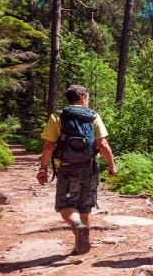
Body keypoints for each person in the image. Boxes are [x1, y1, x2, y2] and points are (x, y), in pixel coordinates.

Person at [38, 84, 117, 255]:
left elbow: (49, 146)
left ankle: (77, 225)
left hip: (67, 168)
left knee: (65, 205)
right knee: (85, 206)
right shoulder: (93, 116)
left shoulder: (57, 117)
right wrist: (111, 166)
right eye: (87, 97)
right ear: (82, 97)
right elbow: (102, 145)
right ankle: (82, 242)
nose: (88, 100)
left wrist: (43, 169)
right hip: (89, 168)